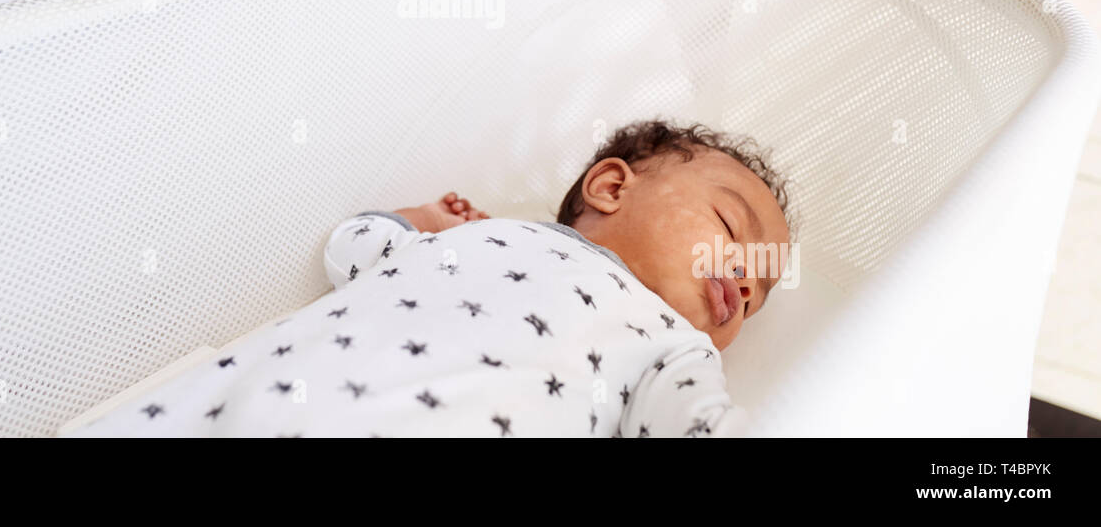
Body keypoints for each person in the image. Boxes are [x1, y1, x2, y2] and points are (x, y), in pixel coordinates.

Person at [65, 120, 794, 438]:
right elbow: (354, 252)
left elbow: (701, 425)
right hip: (272, 395)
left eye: (757, 294)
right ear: (609, 188)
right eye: (731, 230)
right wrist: (419, 223)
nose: (744, 277)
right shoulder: (488, 234)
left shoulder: (671, 345)